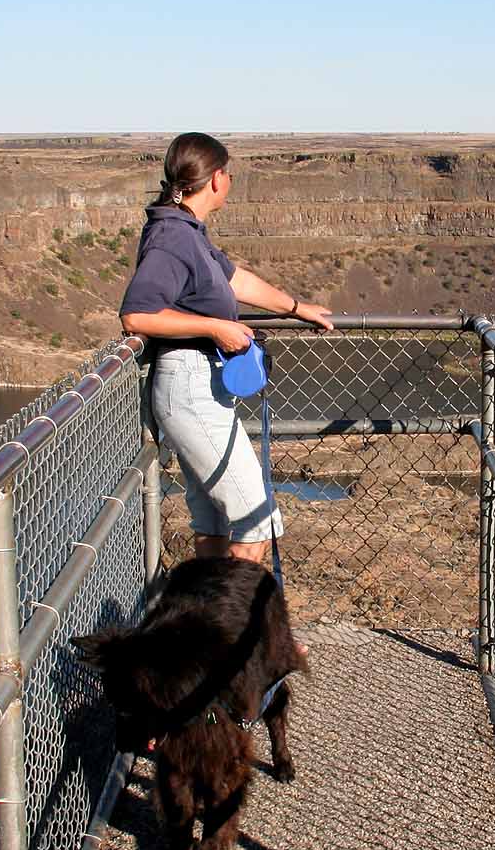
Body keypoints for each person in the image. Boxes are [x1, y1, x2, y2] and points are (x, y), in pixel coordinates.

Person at [119, 133, 334, 563]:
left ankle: (206, 605)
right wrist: (216, 327)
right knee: (256, 521)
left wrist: (297, 308)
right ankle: (234, 610)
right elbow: (137, 315)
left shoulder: (187, 232)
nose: (231, 181)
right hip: (190, 387)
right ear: (216, 178)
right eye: (229, 173)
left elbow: (237, 281)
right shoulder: (172, 237)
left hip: (198, 386)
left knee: (213, 522)